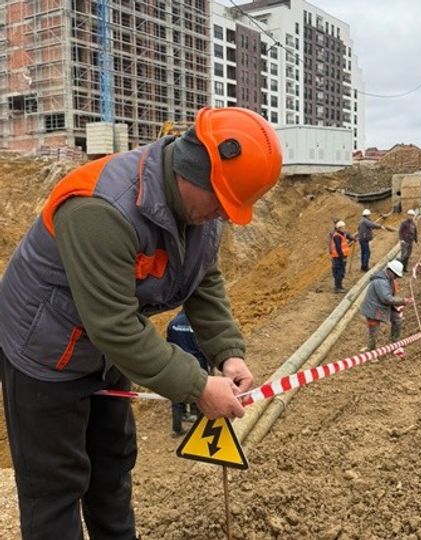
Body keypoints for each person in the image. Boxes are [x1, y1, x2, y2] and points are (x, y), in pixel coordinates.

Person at [0, 106, 281, 539]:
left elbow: (203, 278)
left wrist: (228, 354)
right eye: (223, 204)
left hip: (104, 355)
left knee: (112, 469)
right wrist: (197, 387)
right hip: (44, 351)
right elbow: (114, 326)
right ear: (193, 173)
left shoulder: (199, 211)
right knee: (55, 490)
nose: (225, 216)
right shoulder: (100, 209)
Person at [166, 311, 211, 436]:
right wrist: (210, 365)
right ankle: (198, 424)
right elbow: (203, 346)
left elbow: (168, 343)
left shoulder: (173, 323)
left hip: (177, 362)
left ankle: (176, 428)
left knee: (176, 396)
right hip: (196, 363)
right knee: (198, 393)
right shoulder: (197, 323)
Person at [360, 260, 413, 351]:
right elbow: (386, 299)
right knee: (374, 331)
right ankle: (371, 351)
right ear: (389, 271)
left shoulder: (388, 279)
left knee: (397, 319)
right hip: (374, 309)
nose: (396, 277)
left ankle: (395, 342)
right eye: (395, 275)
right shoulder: (381, 282)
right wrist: (403, 300)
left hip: (383, 306)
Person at [330, 220, 355, 292]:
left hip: (341, 257)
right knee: (339, 272)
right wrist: (342, 257)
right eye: (343, 227)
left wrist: (352, 238)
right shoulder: (337, 236)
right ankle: (337, 288)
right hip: (338, 257)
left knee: (341, 272)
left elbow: (348, 235)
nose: (344, 229)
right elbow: (338, 248)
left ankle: (340, 286)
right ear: (339, 228)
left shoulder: (341, 234)